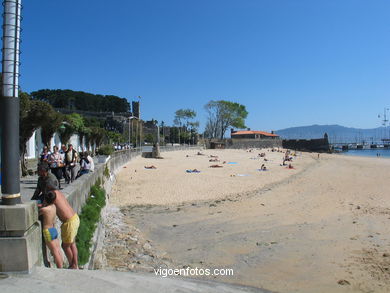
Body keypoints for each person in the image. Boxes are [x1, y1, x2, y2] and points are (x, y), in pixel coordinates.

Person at [46, 182, 80, 269]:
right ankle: (75, 264)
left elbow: (46, 206)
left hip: (69, 222)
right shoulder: (59, 193)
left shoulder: (52, 197)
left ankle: (72, 265)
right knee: (72, 244)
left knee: (65, 246)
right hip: (75, 218)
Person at [39, 191, 63, 268]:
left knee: (54, 251)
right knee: (58, 249)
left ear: (45, 200)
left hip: (48, 231)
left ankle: (60, 268)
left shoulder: (45, 210)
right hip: (53, 230)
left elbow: (37, 213)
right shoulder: (54, 206)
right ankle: (61, 265)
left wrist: (42, 205)